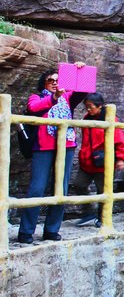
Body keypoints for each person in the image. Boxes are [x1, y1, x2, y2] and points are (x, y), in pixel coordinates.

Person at [18, 64, 88, 244]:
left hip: (66, 144)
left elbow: (84, 89)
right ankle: (26, 232)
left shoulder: (68, 96)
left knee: (61, 188)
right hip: (43, 146)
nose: (55, 83)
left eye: (58, 80)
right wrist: (54, 98)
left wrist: (78, 71)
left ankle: (51, 230)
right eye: (51, 80)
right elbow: (34, 108)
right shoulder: (36, 97)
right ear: (44, 82)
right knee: (37, 188)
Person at [74, 93, 124, 227]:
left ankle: (102, 217)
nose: (88, 109)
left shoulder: (110, 119)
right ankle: (88, 211)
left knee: (103, 191)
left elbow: (120, 140)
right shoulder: (86, 119)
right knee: (79, 184)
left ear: (99, 106)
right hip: (87, 161)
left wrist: (121, 158)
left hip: (102, 161)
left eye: (90, 106)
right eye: (86, 107)